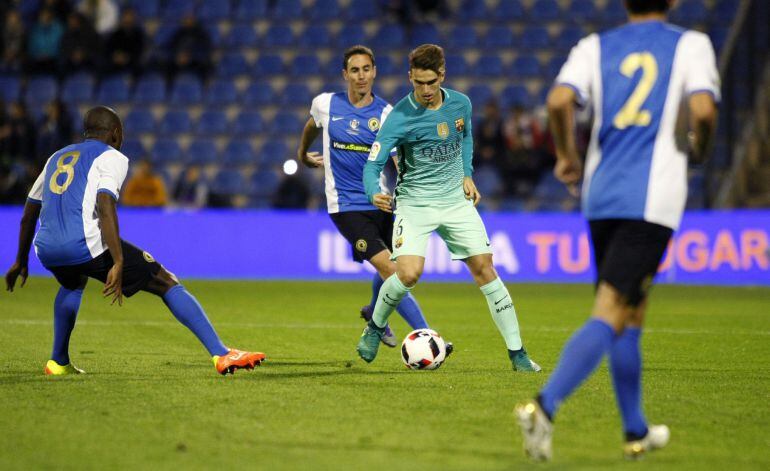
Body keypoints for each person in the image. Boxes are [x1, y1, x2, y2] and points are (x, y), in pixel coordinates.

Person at [515, 0, 719, 461]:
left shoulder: (593, 46)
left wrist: (567, 155)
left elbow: (558, 99)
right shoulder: (691, 44)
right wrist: (699, 148)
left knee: (631, 313)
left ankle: (635, 430)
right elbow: (704, 111)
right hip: (651, 201)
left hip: (601, 195)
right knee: (610, 309)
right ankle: (543, 407)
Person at [4, 106, 265, 376]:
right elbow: (105, 204)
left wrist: (21, 260)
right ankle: (222, 354)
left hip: (46, 248)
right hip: (84, 243)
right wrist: (117, 261)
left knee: (72, 282)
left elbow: (29, 212)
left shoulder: (56, 157)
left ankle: (57, 362)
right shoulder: (112, 157)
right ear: (116, 134)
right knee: (165, 280)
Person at [359, 44, 539, 371]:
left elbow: (465, 136)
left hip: (455, 201)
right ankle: (374, 325)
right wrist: (373, 192)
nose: (425, 90)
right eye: (418, 83)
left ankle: (518, 353)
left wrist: (467, 174)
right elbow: (372, 165)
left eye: (430, 82)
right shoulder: (399, 117)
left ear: (442, 75)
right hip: (415, 203)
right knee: (409, 273)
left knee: (485, 267)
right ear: (410, 78)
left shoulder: (461, 104)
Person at [297, 45, 431, 348]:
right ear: (345, 74)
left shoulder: (386, 114)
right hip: (345, 207)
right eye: (354, 70)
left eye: (366, 69)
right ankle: (428, 335)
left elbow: (398, 160)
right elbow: (311, 126)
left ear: (375, 72)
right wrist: (302, 154)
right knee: (392, 270)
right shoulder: (326, 104)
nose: (361, 76)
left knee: (392, 263)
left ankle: (374, 311)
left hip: (381, 202)